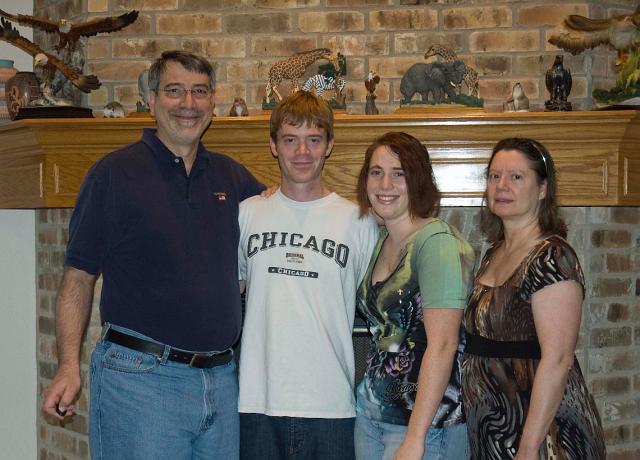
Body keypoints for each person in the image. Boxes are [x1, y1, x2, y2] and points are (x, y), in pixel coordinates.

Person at [41, 50, 264, 460]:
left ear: (212, 102)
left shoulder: (232, 177)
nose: (188, 103)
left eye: (199, 92)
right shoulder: (113, 174)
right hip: (139, 384)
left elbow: (280, 226)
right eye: (174, 91)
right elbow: (78, 277)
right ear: (151, 99)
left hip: (221, 384)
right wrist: (68, 365)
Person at [237, 90, 378, 460]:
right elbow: (230, 292)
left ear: (329, 145)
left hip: (332, 406)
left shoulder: (359, 221)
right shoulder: (248, 214)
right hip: (258, 403)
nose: (302, 152)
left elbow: (379, 309)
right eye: (290, 140)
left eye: (313, 140)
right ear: (273, 145)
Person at [462, 138, 606, 460]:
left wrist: (528, 447)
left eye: (516, 177)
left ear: (542, 189)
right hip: (495, 429)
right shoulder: (493, 253)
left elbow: (558, 359)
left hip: (542, 435)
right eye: (494, 176)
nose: (502, 185)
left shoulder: (552, 257)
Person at [353, 132, 474, 460]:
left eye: (399, 173)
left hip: (426, 426)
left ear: (418, 180)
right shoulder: (382, 239)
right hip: (371, 416)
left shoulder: (436, 242)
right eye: (376, 172)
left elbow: (444, 344)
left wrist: (415, 437)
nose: (385, 184)